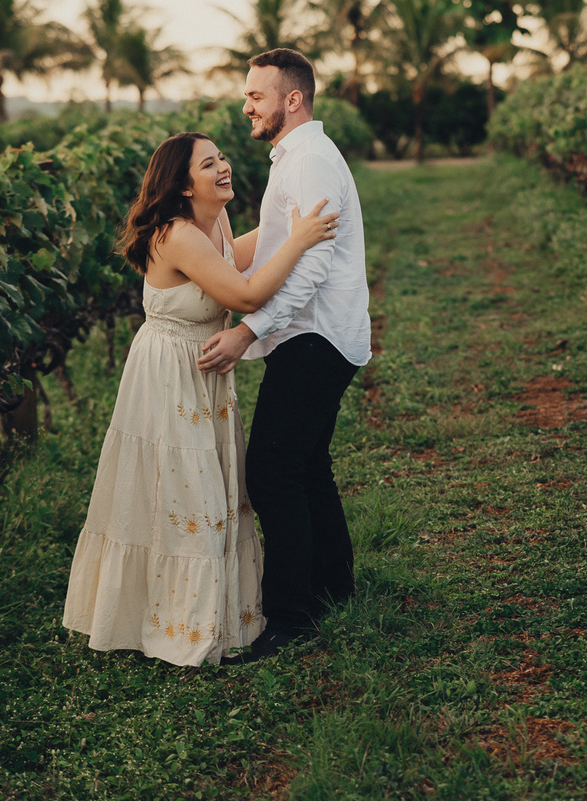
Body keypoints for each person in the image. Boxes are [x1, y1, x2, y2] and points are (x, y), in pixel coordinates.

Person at [62, 131, 339, 667]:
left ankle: (209, 611)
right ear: (184, 186)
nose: (223, 167)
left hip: (203, 374)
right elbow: (246, 294)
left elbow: (232, 257)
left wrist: (288, 224)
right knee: (186, 496)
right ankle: (172, 620)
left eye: (222, 158)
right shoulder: (178, 235)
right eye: (208, 164)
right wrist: (298, 241)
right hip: (169, 374)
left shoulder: (214, 223)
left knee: (207, 490)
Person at [198, 49, 372, 659]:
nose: (246, 106)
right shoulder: (297, 159)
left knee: (272, 472)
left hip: (315, 335)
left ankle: (291, 619)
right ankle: (333, 589)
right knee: (305, 465)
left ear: (291, 100)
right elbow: (275, 244)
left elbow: (310, 270)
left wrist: (247, 330)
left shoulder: (310, 164)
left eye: (256, 96)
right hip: (316, 334)